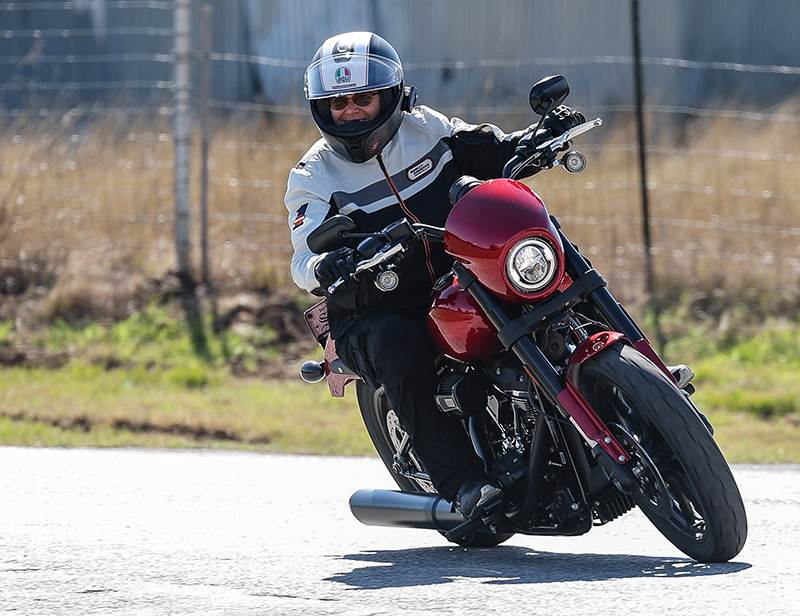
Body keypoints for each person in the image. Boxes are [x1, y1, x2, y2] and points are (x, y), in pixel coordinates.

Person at [285, 31, 585, 521]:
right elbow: (302, 260)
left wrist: (536, 140)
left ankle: (641, 378)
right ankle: (464, 485)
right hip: (379, 302)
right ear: (322, 109)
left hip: (458, 273)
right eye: (338, 103)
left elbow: (486, 150)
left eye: (363, 97)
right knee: (396, 345)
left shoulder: (425, 129)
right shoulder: (313, 175)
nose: (353, 111)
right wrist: (328, 263)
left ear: (392, 95)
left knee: (544, 256)